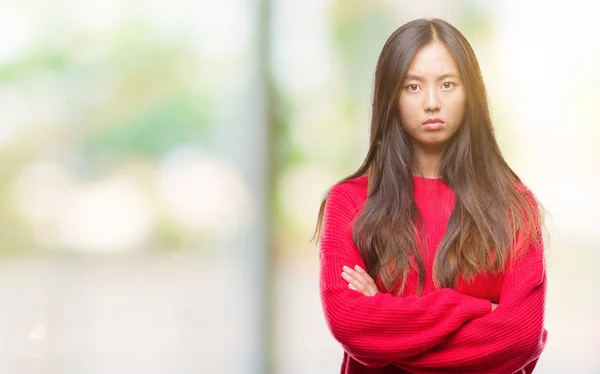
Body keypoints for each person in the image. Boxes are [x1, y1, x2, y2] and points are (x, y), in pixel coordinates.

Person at [313, 18, 547, 374]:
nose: (432, 102)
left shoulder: (514, 206)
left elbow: (520, 337)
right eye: (413, 87)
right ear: (390, 96)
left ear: (472, 93)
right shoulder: (349, 202)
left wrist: (386, 322)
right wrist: (477, 308)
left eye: (448, 84)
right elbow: (350, 324)